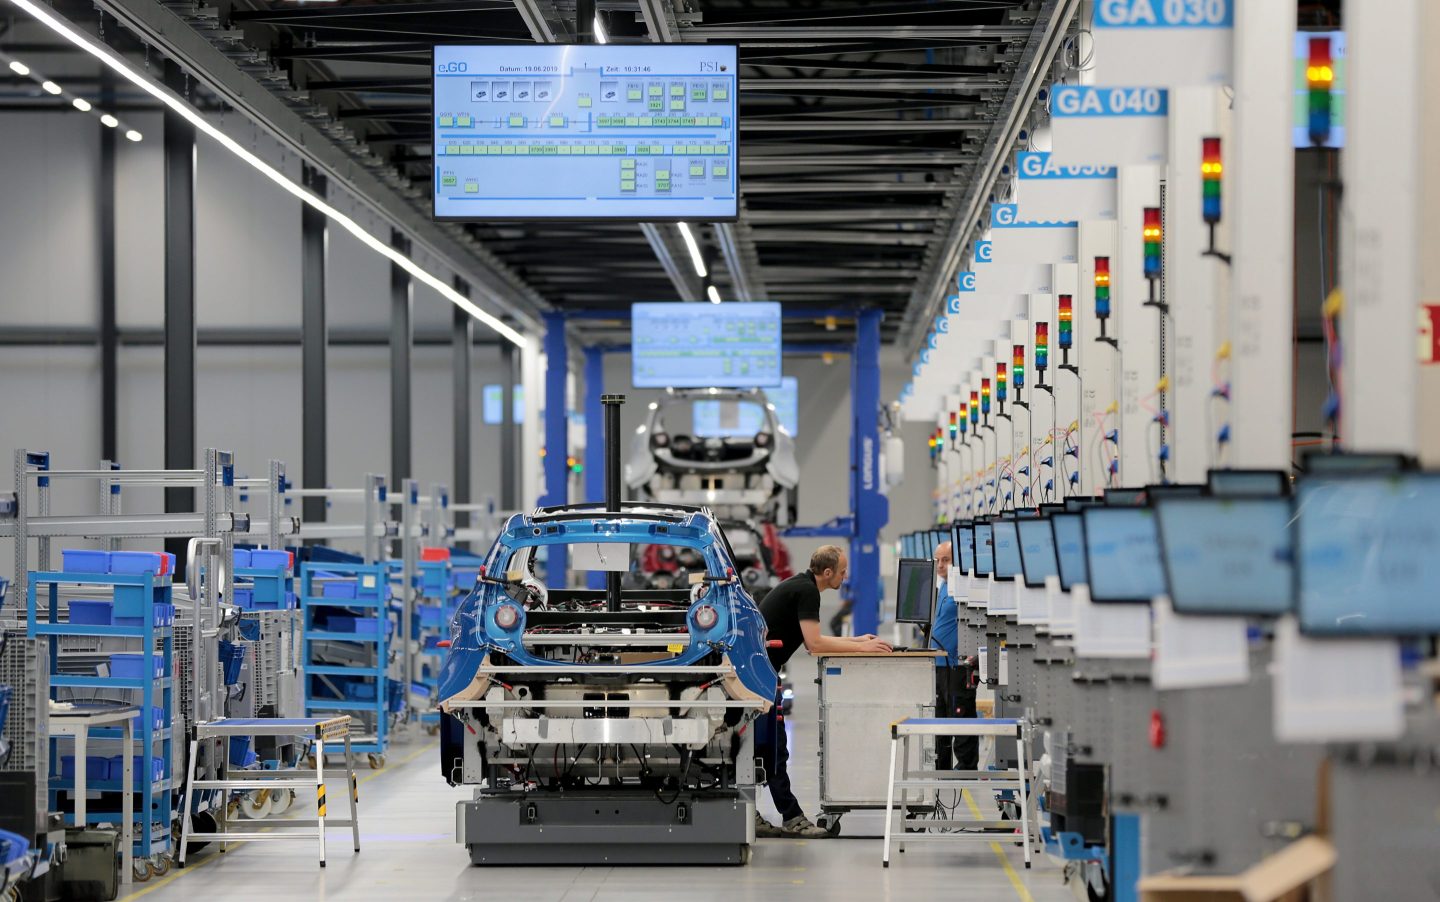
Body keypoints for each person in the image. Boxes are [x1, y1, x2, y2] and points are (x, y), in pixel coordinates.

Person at [754, 545, 892, 838]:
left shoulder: (800, 585)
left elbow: (810, 638)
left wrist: (856, 642)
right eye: (842, 572)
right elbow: (815, 646)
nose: (845, 576)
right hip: (759, 678)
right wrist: (861, 646)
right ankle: (791, 818)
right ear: (827, 572)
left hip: (759, 673)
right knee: (773, 748)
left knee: (763, 748)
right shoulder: (807, 592)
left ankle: (758, 813)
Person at [929, 541, 977, 770]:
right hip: (939, 663)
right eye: (937, 560)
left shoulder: (964, 589)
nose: (940, 565)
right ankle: (942, 764)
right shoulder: (942, 588)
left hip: (958, 663)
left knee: (960, 713)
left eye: (945, 560)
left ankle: (966, 766)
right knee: (940, 715)